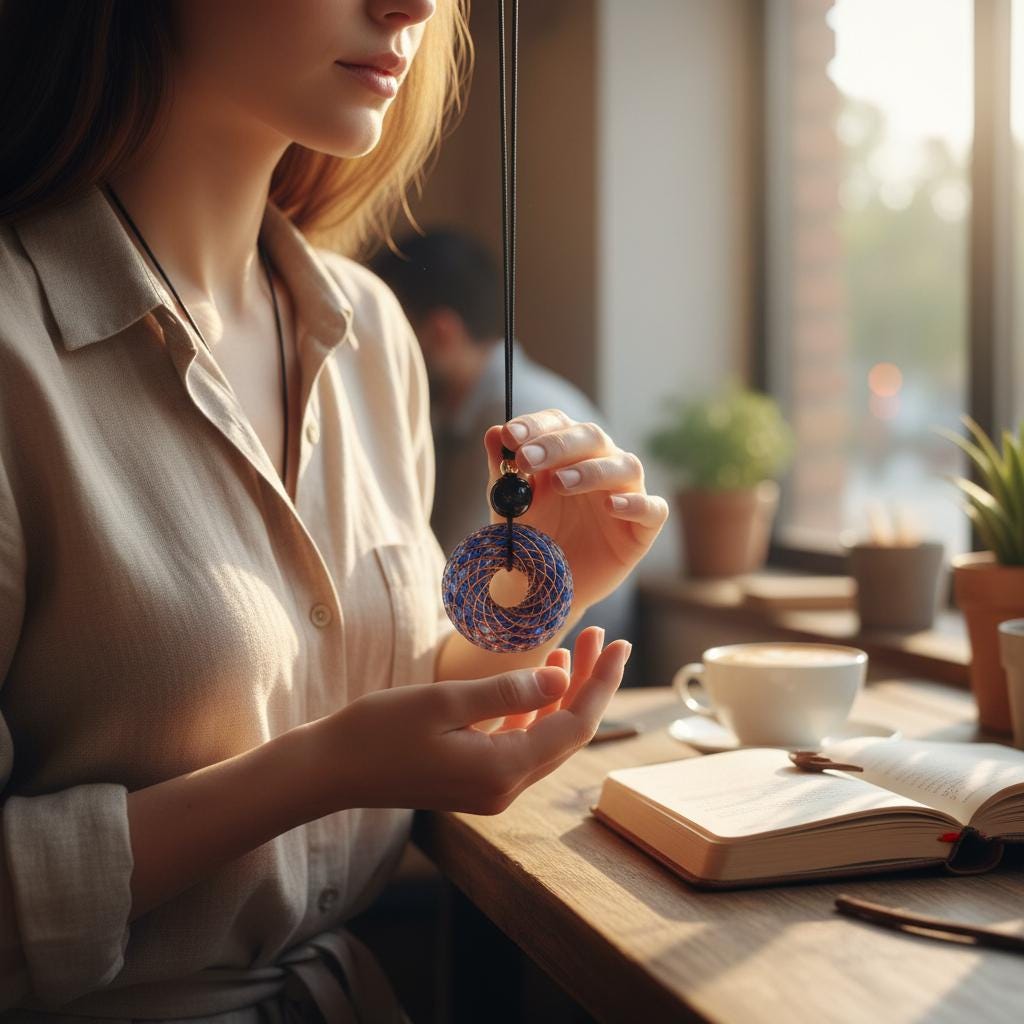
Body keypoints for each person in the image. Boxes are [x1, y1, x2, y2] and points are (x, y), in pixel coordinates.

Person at [0, 2, 669, 1021]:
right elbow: (341, 745)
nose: (411, 6)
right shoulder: (16, 347)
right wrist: (316, 772)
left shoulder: (370, 336)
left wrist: (540, 585)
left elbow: (374, 695)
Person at [370, 230, 637, 650]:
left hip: (548, 666)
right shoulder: (477, 410)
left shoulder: (512, 421)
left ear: (440, 333)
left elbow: (459, 581)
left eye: (389, 340)